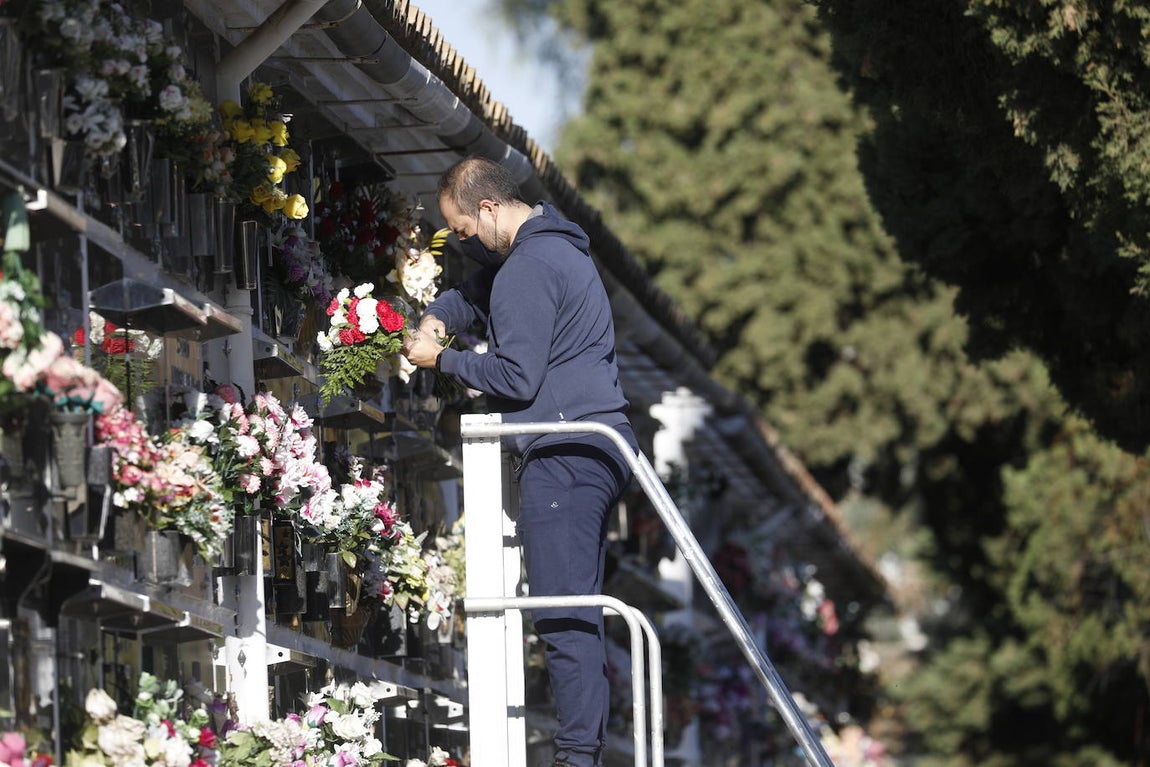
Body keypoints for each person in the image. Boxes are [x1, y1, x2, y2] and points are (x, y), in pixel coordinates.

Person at [403, 156, 637, 767]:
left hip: (563, 453)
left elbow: (515, 374)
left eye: (460, 229)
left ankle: (578, 757)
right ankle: (582, 749)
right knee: (573, 606)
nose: (460, 242)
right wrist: (438, 318)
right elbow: (472, 295)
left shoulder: (526, 269)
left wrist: (441, 361)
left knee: (561, 612)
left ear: (487, 209)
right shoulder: (549, 248)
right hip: (592, 448)